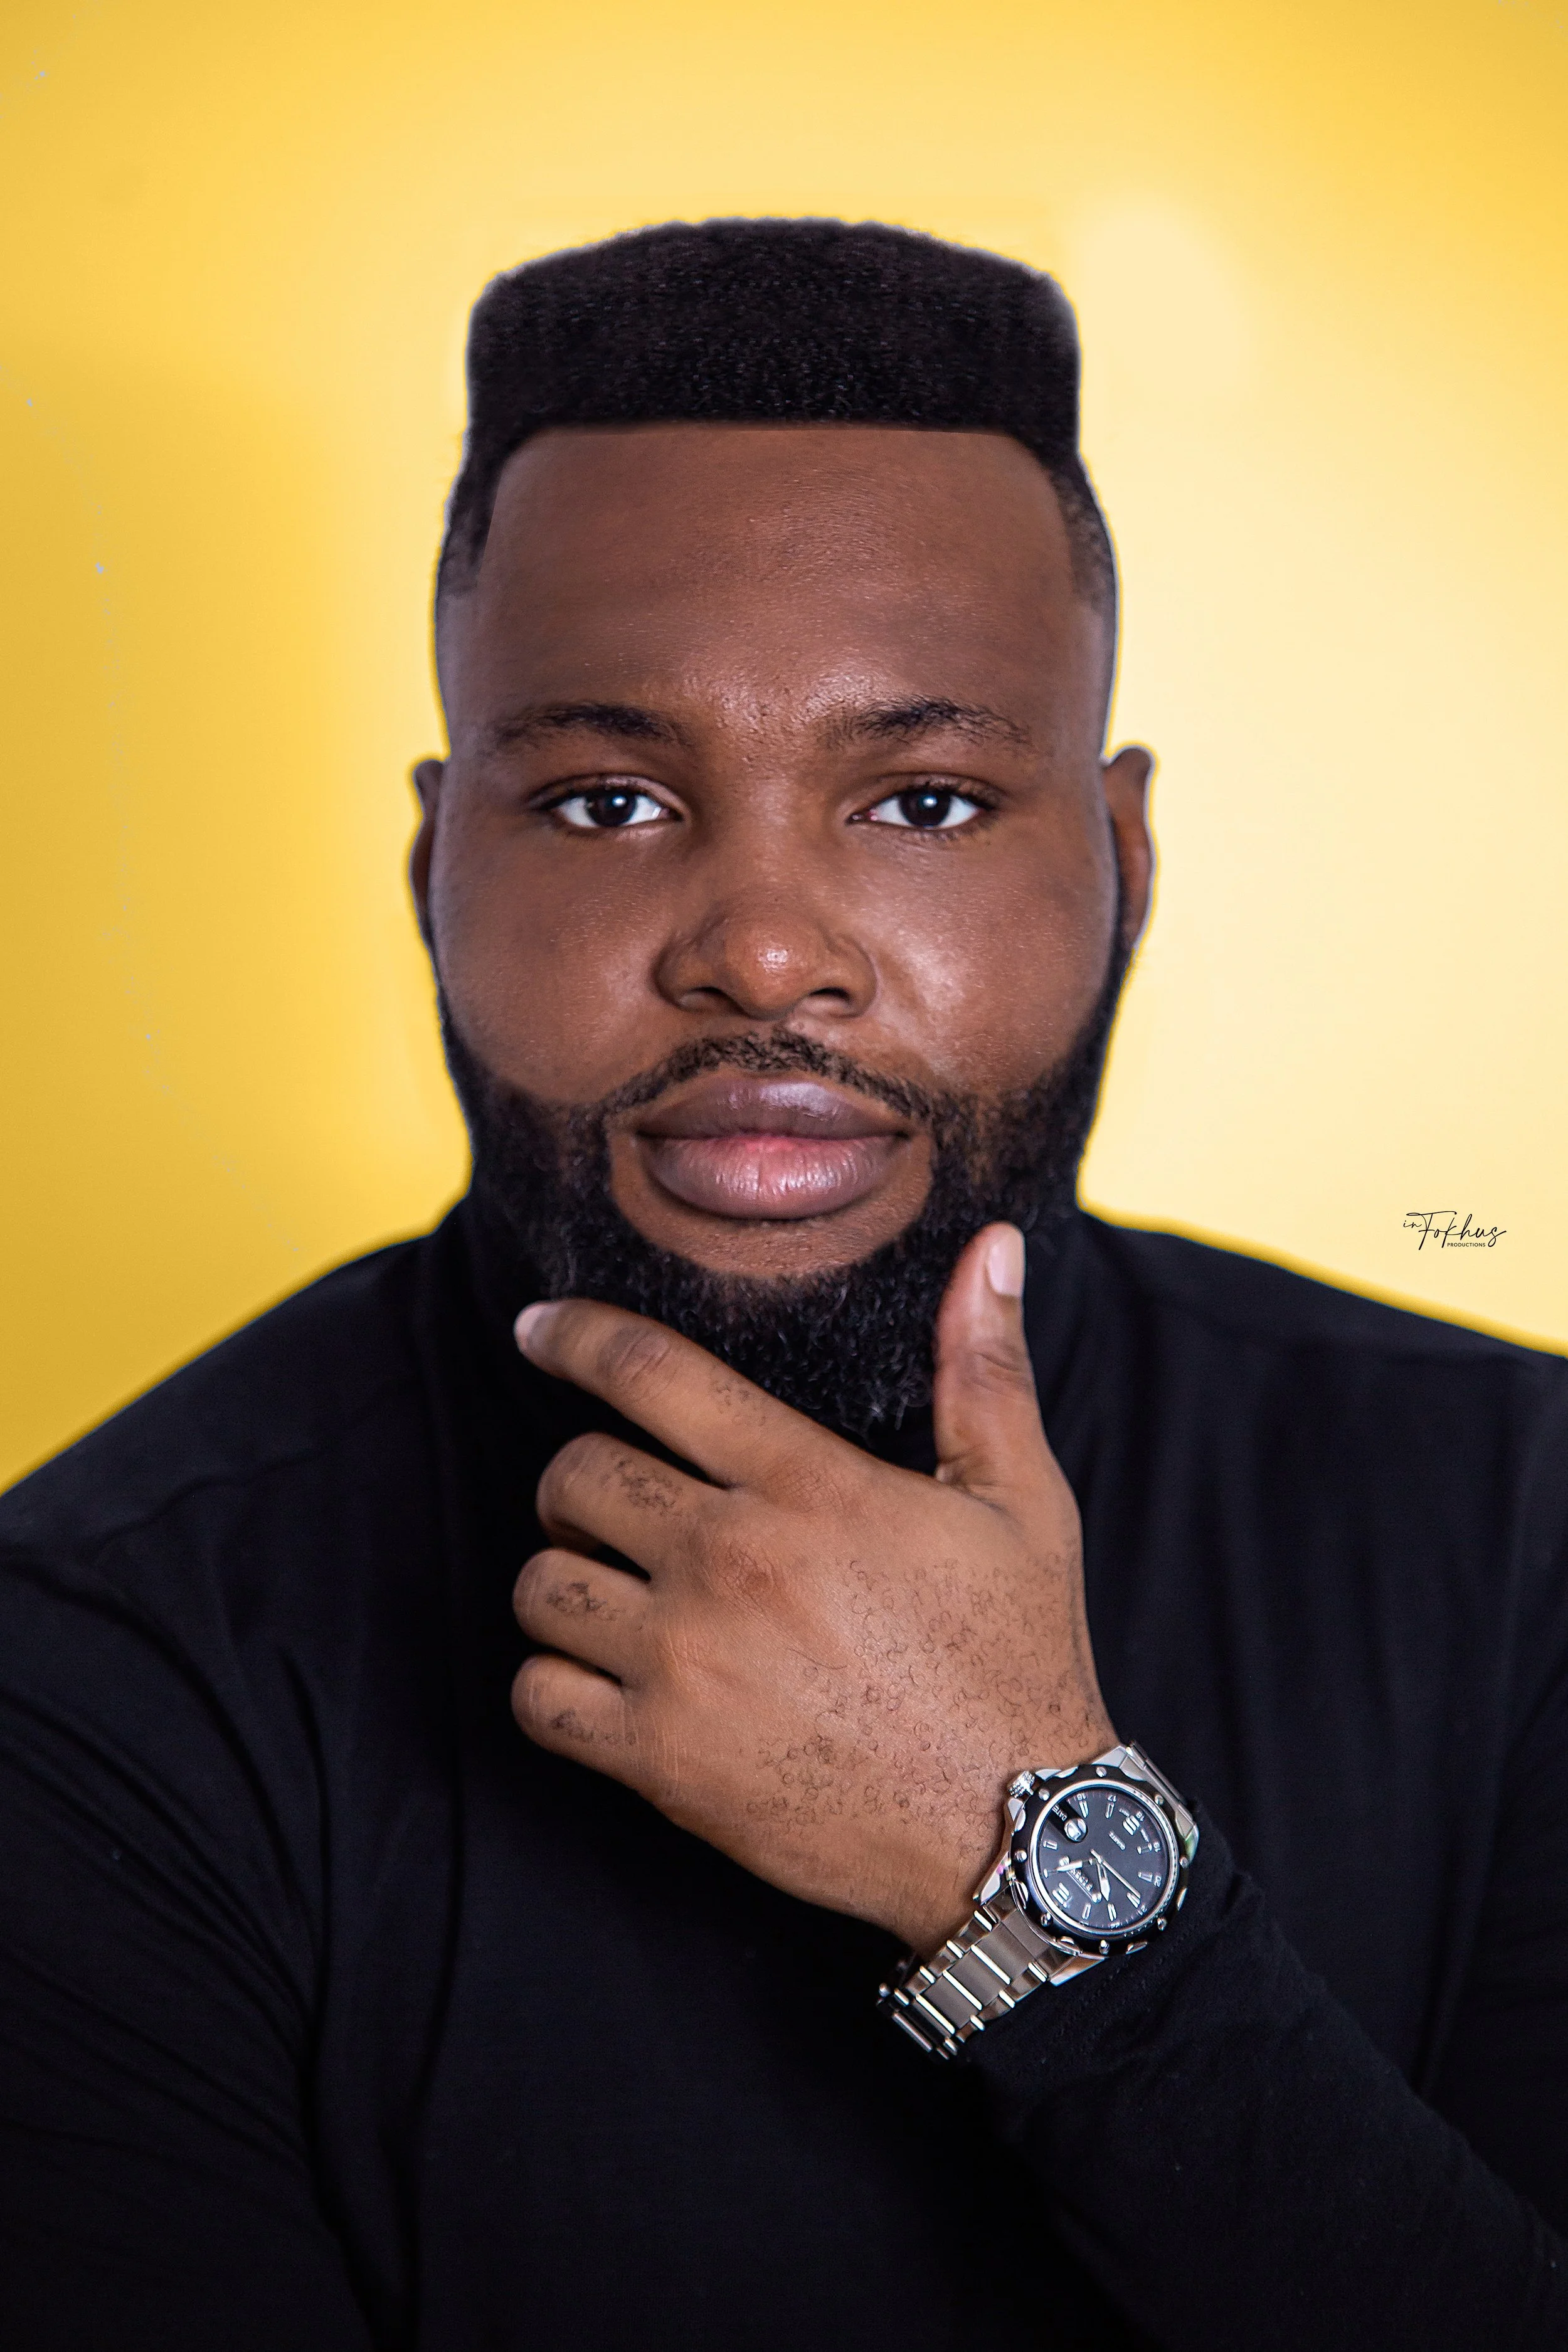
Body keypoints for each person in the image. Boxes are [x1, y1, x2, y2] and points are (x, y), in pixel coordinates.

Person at [2, 218, 1565, 2352]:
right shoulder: (86, 1665)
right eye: (605, 798)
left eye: (921, 799)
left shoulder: (1524, 1529)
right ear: (434, 867)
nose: (758, 949)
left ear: (1119, 866)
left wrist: (1030, 1871)